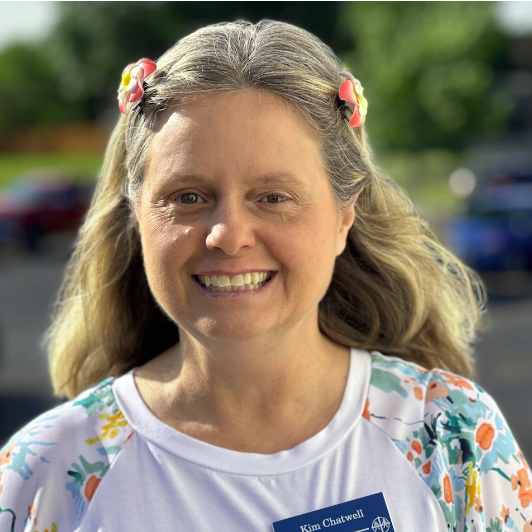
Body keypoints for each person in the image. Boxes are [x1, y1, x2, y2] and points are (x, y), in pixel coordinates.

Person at [0, 20, 530, 532]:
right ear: (138, 216)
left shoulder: (455, 441)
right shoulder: (45, 473)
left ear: (345, 216)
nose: (229, 235)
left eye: (273, 197)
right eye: (188, 197)